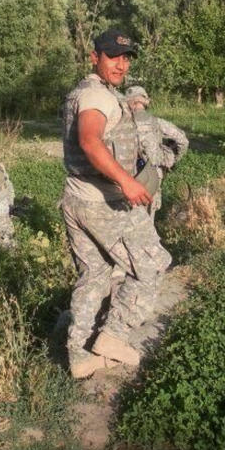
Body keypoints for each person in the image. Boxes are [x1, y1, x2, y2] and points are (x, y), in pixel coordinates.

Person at [61, 28, 172, 379]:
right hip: (104, 204)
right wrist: (126, 182)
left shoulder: (85, 91)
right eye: (113, 56)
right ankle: (113, 336)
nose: (121, 64)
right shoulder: (97, 97)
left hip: (76, 198)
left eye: (126, 58)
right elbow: (90, 142)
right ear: (95, 57)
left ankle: (79, 357)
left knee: (94, 275)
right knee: (153, 264)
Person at [124, 86, 189, 220]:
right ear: (144, 102)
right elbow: (183, 140)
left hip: (125, 178)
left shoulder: (120, 123)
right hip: (153, 175)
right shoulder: (157, 122)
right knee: (148, 219)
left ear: (130, 102)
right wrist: (172, 159)